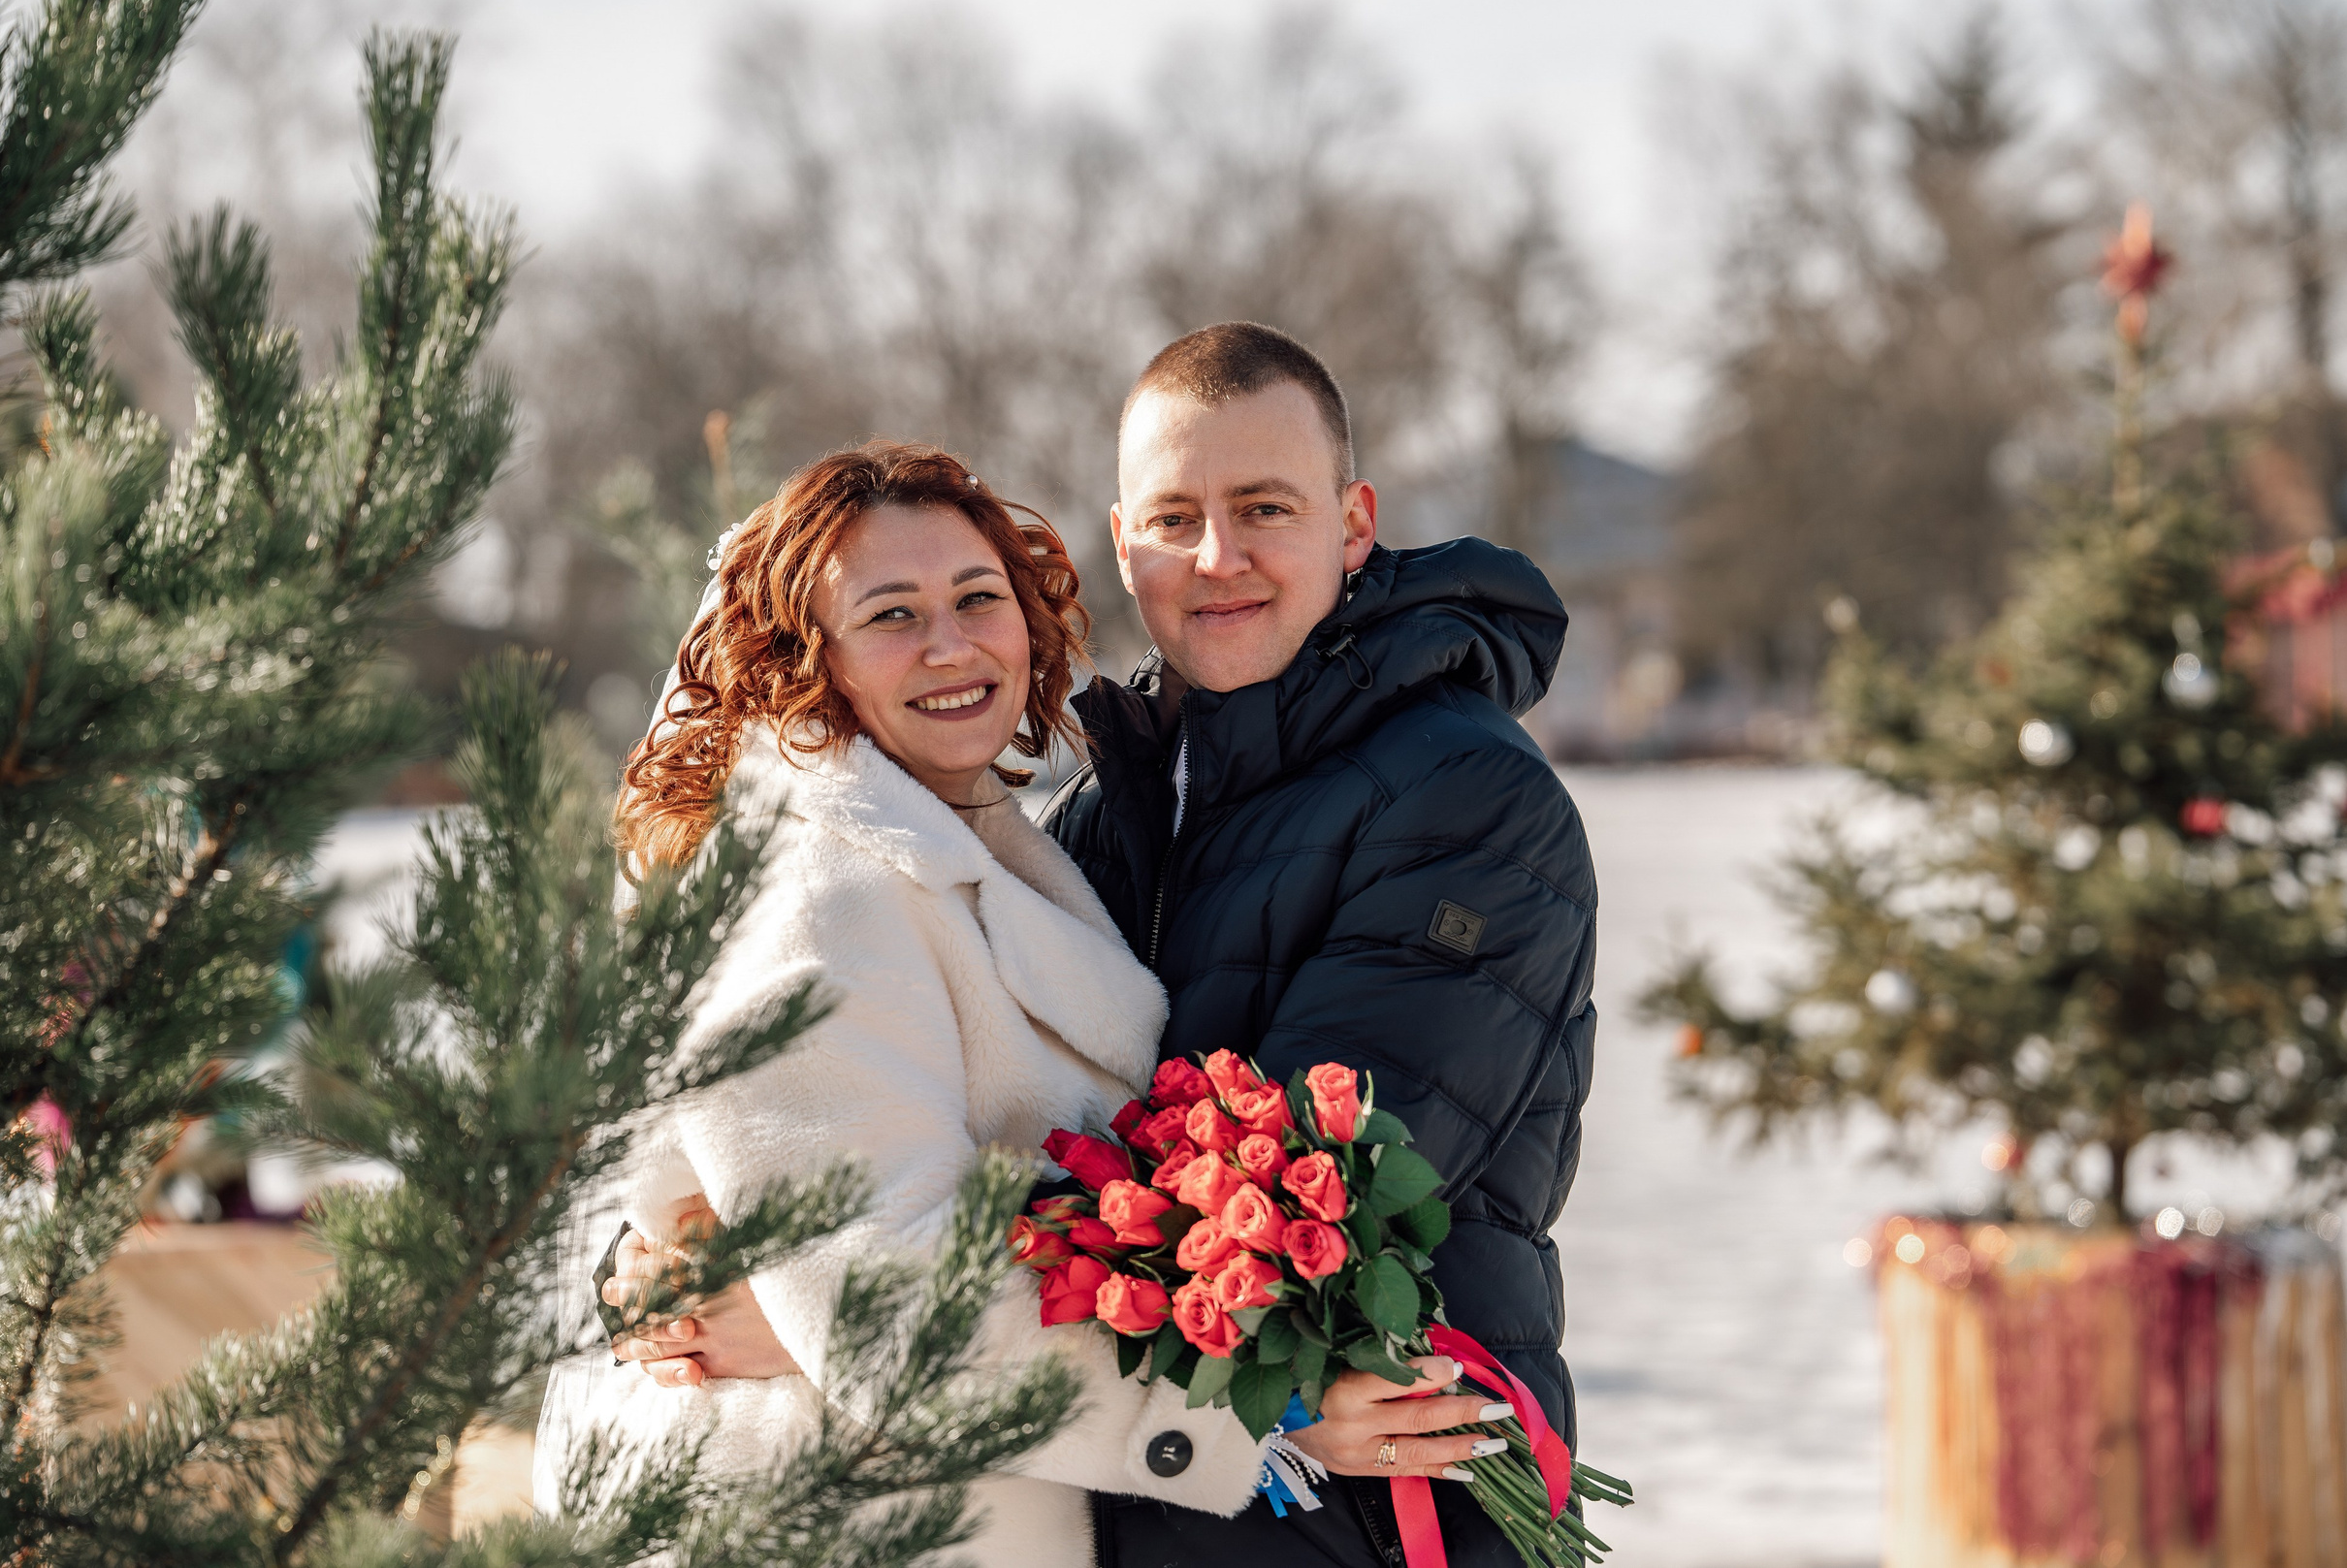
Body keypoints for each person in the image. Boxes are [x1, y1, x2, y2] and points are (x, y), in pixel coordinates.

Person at [534, 444, 1286, 1564]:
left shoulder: (959, 845)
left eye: (978, 597)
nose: (951, 644)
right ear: (807, 660)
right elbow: (882, 1311)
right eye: (890, 615)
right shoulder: (817, 895)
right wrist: (1243, 1417)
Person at [1045, 322, 1598, 1567]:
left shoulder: (1464, 795)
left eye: (1264, 508)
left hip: (1380, 1509)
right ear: (1123, 542)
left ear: (1352, 525)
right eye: (1174, 517)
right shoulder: (1100, 814)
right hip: (1159, 1498)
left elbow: (1306, 1191)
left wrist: (893, 1309)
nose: (1217, 556)